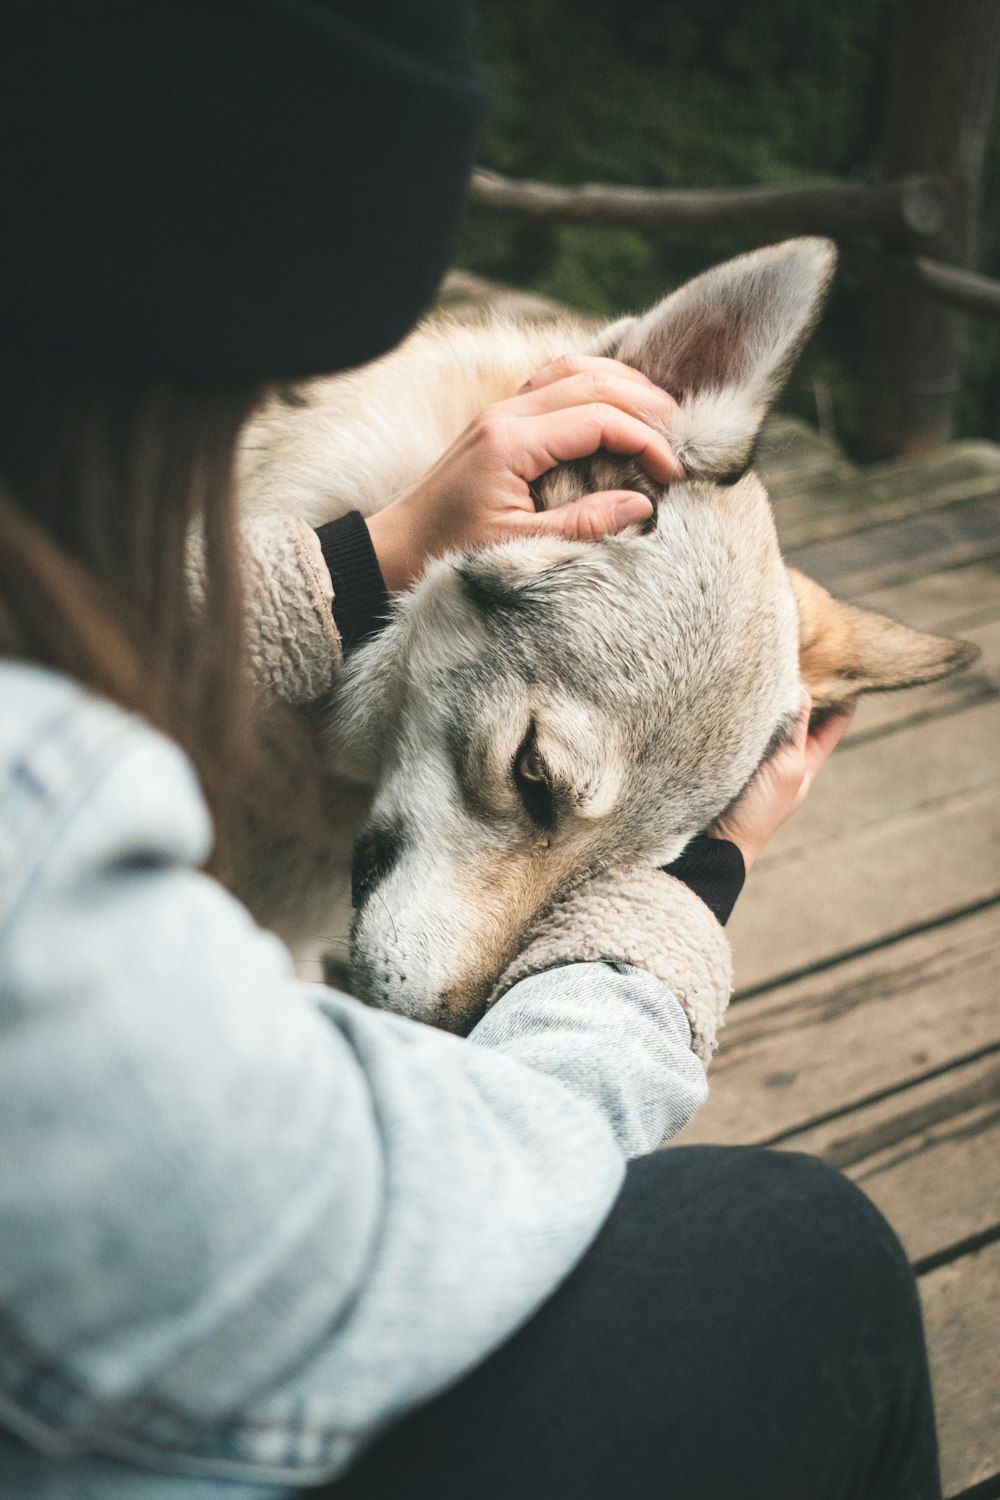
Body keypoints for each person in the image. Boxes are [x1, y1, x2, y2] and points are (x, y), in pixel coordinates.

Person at [0, 3, 941, 1497]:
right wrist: (658, 930)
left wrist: (366, 560)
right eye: (533, 791)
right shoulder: (40, 866)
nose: (454, 980)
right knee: (807, 1252)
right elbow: (403, 1218)